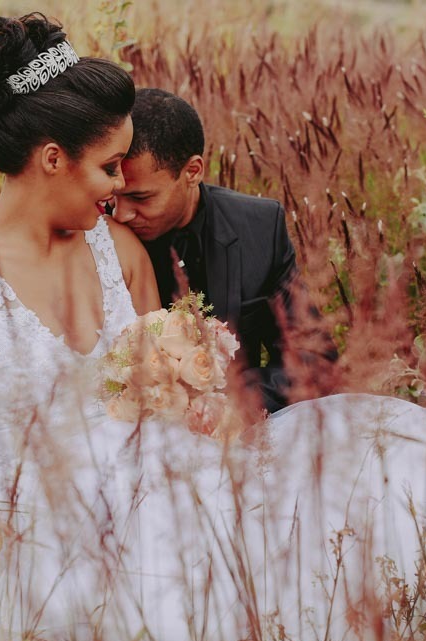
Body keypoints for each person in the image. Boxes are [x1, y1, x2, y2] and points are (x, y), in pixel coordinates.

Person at [0, 12, 426, 641]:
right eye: (109, 168)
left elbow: (158, 394)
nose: (117, 190)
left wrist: (196, 403)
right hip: (23, 514)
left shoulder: (118, 251)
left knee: (349, 489)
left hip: (147, 484)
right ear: (54, 159)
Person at [111, 88, 299, 413]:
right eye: (115, 195)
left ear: (193, 172)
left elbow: (311, 359)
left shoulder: (260, 227)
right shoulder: (97, 238)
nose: (120, 214)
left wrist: (228, 409)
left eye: (140, 198)